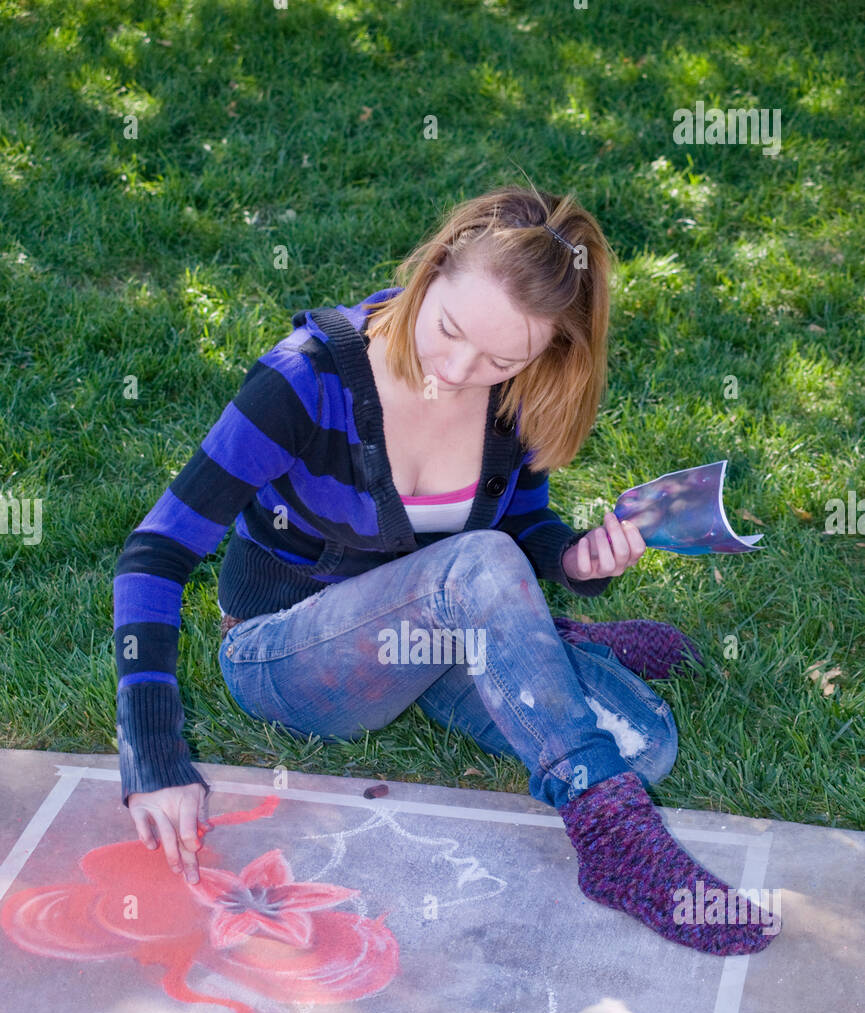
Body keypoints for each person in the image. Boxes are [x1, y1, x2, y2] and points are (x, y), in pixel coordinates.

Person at [115, 182, 781, 955]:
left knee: (642, 744)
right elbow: (154, 552)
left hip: (430, 634)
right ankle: (611, 836)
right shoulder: (304, 382)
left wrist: (573, 559)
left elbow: (523, 524)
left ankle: (536, 638)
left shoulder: (512, 399)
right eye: (450, 332)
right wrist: (153, 751)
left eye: (503, 357)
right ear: (428, 272)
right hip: (287, 653)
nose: (463, 369)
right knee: (479, 570)